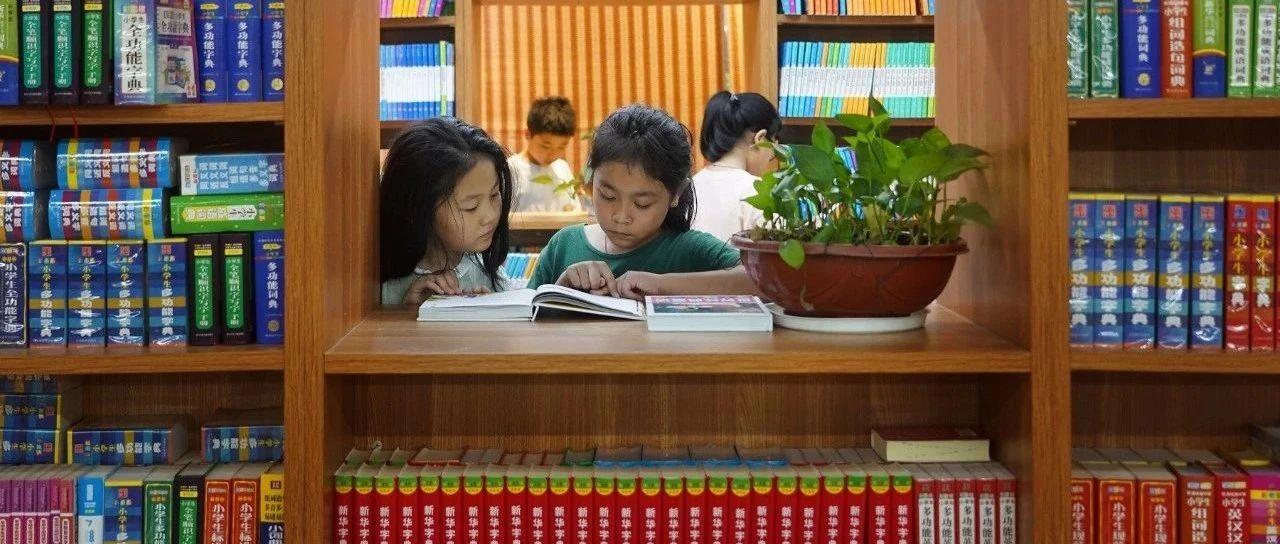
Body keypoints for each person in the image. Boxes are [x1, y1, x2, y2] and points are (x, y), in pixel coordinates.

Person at [526, 104, 759, 301]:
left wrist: (661, 285)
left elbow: (760, 281)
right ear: (591, 180)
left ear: (676, 194)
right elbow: (523, 320)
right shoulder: (564, 246)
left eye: (642, 203)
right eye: (608, 196)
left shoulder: (689, 250)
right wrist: (559, 291)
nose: (621, 216)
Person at [379, 117, 514, 305]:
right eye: (471, 207)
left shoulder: (487, 269)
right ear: (420, 210)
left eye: (494, 195)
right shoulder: (380, 286)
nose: (490, 216)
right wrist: (408, 312)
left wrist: (490, 311)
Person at [690, 91, 781, 241]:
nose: (770, 160)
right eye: (773, 154)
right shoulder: (756, 191)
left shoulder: (689, 187)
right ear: (760, 139)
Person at [508, 96, 581, 213]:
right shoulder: (511, 169)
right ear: (528, 135)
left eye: (562, 146)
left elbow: (574, 209)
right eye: (545, 146)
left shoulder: (562, 167)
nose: (553, 154)